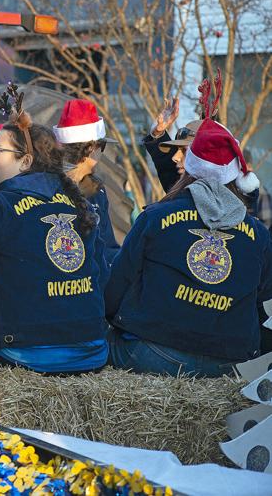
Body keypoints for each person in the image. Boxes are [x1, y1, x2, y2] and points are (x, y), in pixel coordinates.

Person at [0, 94, 109, 374]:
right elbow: (102, 277)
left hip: (23, 352)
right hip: (92, 350)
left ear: (25, 162)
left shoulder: (4, 205)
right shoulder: (80, 205)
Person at [106, 115, 272, 377]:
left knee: (95, 345)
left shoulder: (155, 218)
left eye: (184, 152)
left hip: (153, 354)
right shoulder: (259, 235)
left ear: (193, 165)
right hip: (228, 366)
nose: (175, 159)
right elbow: (265, 305)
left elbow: (118, 284)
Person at [53, 99, 120, 263]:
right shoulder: (48, 186)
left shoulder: (96, 189)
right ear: (91, 149)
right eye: (102, 147)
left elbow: (107, 246)